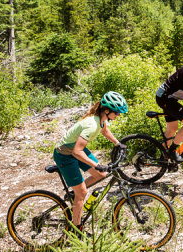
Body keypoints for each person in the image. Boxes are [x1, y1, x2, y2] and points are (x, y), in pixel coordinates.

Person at [52, 91, 127, 232]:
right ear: (107, 110)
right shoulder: (92, 124)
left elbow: (105, 132)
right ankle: (75, 227)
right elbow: (76, 152)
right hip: (65, 154)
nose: (118, 115)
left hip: (76, 149)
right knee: (83, 192)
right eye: (117, 113)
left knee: (100, 175)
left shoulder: (102, 119)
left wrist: (118, 143)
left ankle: (75, 194)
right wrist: (96, 165)